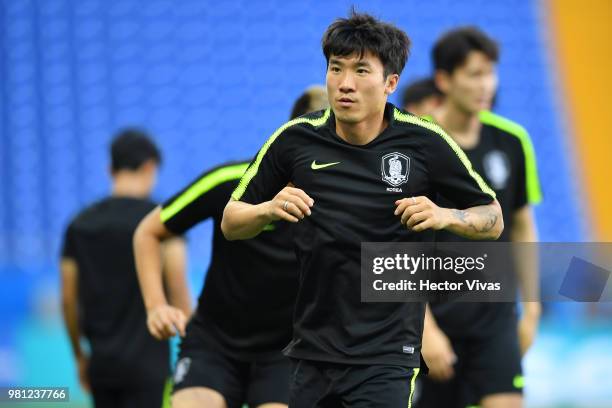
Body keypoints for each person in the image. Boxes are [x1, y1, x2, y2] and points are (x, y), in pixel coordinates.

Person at [221, 11, 503, 408]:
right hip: (310, 352)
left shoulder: (425, 142)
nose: (345, 84)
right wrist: (267, 209)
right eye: (336, 69)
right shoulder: (294, 139)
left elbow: (492, 217)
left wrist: (446, 216)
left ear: (390, 83)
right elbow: (232, 222)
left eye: (361, 71)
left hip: (386, 357)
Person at [133, 87, 328, 408]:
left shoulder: (342, 200)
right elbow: (148, 232)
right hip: (213, 346)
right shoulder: (230, 181)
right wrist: (156, 306)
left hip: (287, 353)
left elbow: (380, 258)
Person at [416, 27, 543, 408]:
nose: (486, 84)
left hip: (494, 316)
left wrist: (532, 307)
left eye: (490, 73)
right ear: (444, 79)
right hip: (431, 317)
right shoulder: (415, 145)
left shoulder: (512, 141)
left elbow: (521, 224)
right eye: (474, 74)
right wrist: (425, 329)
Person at [60, 129, 188, 408]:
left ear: (110, 169)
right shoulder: (164, 221)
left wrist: (80, 357)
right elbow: (178, 291)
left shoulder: (79, 225)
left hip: (102, 365)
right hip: (149, 367)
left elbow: (68, 300)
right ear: (150, 167)